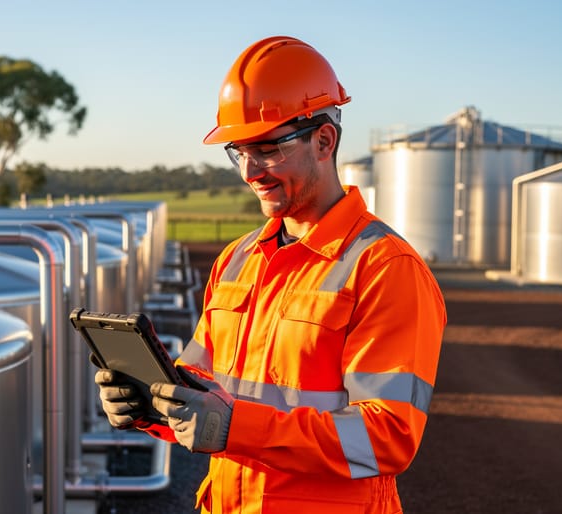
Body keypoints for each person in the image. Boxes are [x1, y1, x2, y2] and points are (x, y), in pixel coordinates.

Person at [95, 35, 446, 514]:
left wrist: (235, 427)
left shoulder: (385, 268)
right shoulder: (238, 258)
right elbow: (204, 387)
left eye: (267, 149)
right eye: (239, 151)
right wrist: (147, 407)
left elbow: (386, 436)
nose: (249, 171)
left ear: (325, 141)